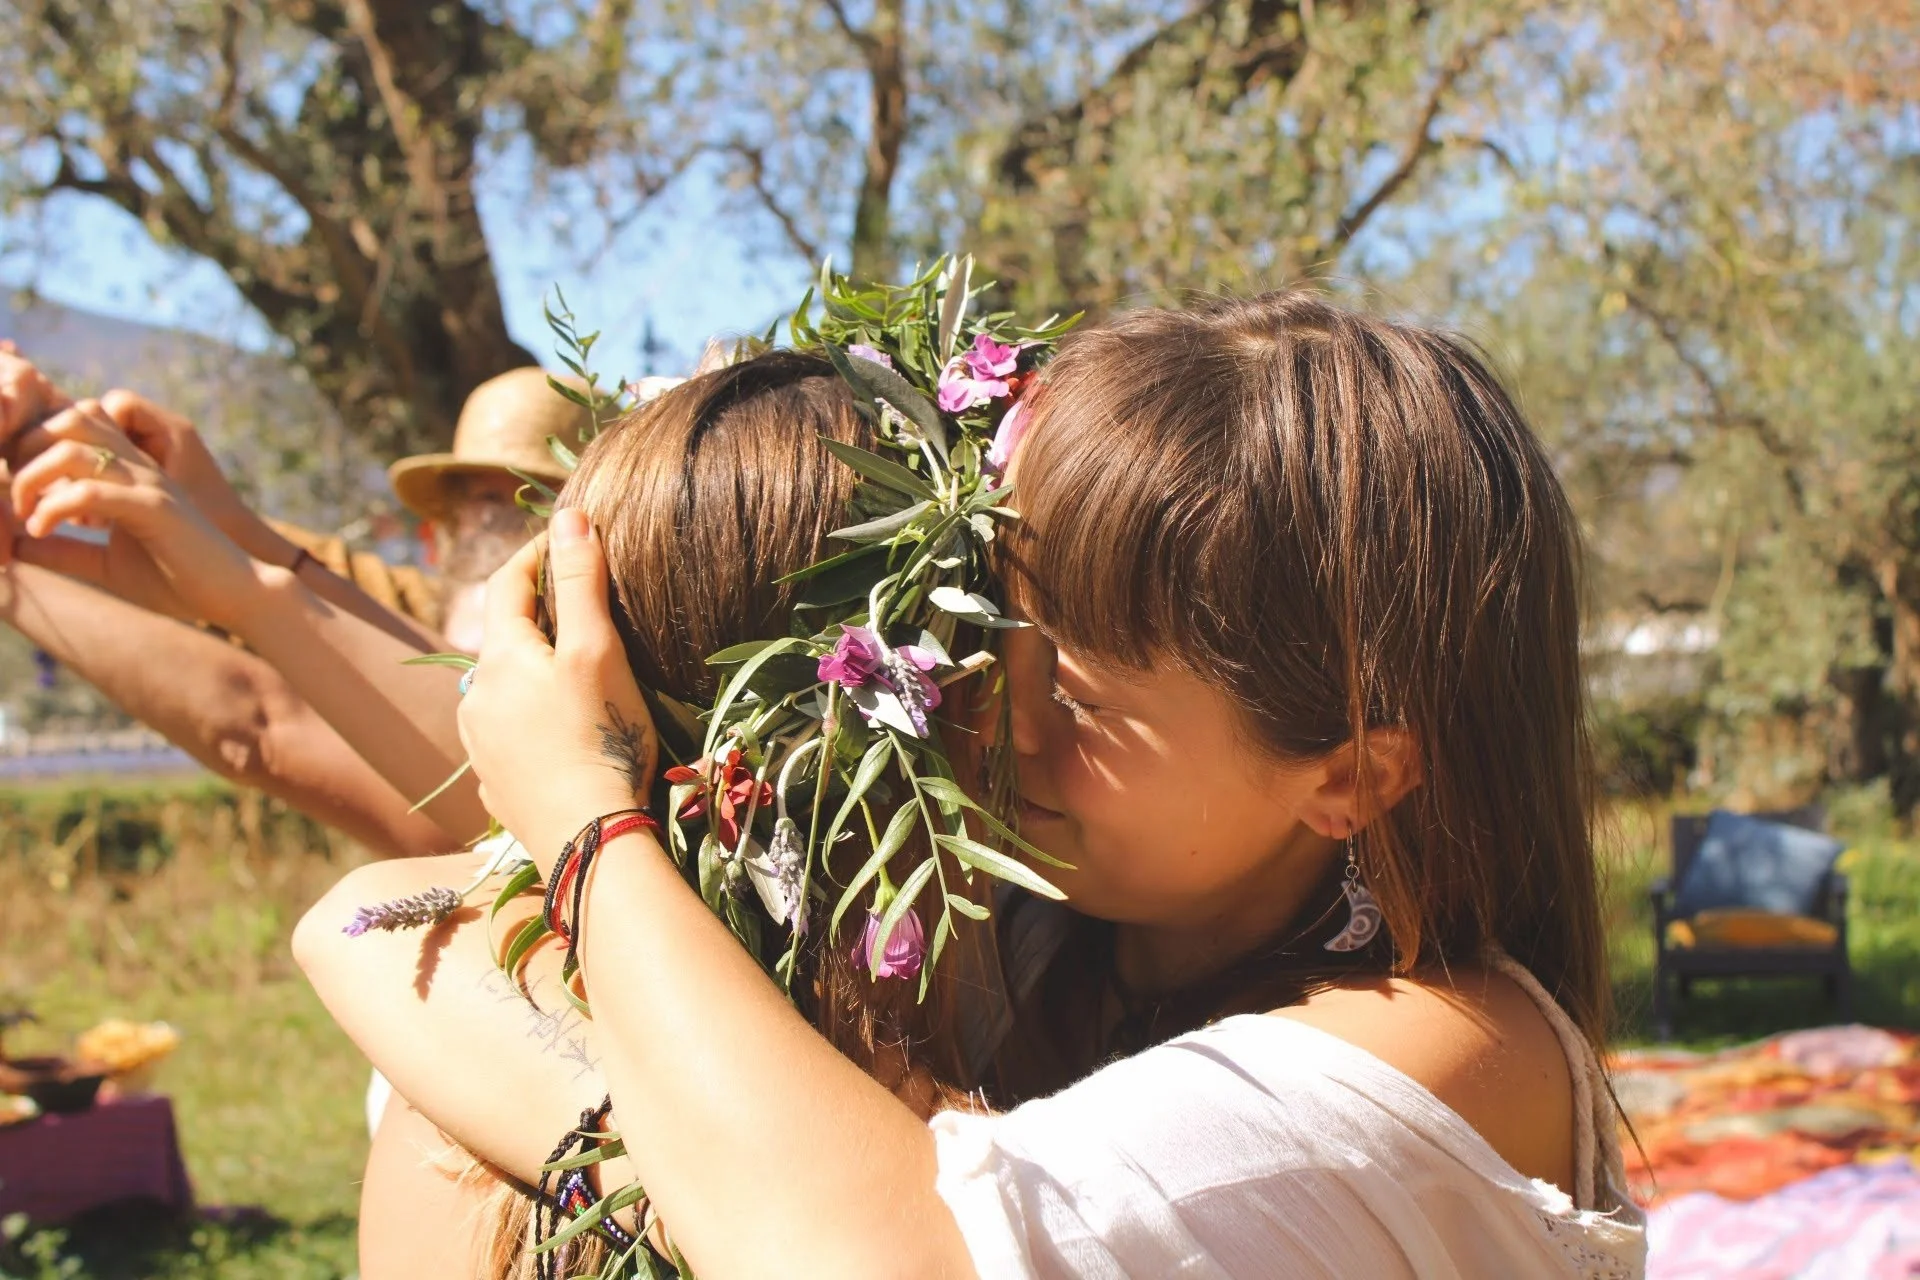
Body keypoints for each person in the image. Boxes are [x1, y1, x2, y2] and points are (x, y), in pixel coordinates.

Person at [47, 293, 1648, 1277]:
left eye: (1076, 688)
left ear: (1353, 776)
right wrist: (249, 580)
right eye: (984, 622)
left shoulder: (1450, 1053)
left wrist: (581, 870)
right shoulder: (1061, 917)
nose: (987, 709)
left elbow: (881, 1257)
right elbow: (529, 783)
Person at [0, 351, 586, 855]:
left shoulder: (601, 660)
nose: (494, 524)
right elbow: (313, 584)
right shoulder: (424, 600)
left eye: (533, 498)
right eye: (478, 498)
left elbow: (263, 720)